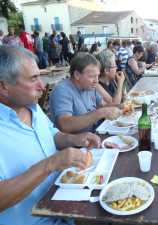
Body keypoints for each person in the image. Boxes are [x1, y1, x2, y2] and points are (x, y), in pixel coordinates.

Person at [0, 45, 101, 225]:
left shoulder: (31, 105)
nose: (42, 85)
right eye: (33, 79)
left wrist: (74, 138)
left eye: (40, 76)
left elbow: (52, 134)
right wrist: (51, 164)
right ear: (3, 86)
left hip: (65, 208)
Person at [49, 52, 121, 133]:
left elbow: (102, 105)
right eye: (92, 76)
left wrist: (121, 107)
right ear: (77, 75)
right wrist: (101, 113)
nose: (96, 81)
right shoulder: (62, 90)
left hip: (93, 135)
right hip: (75, 144)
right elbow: (65, 125)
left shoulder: (89, 86)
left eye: (97, 76)